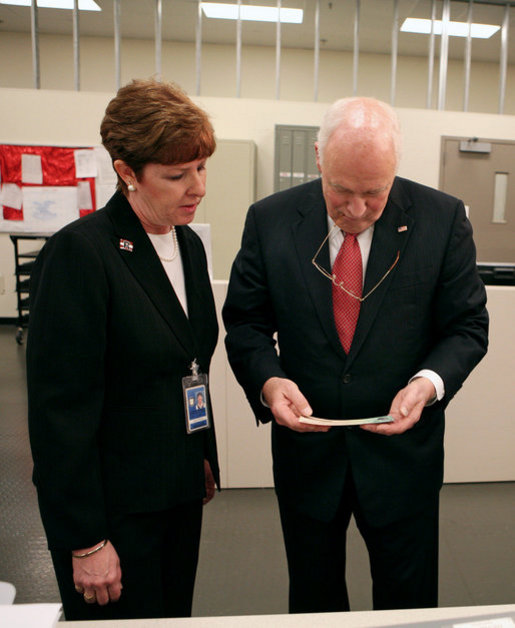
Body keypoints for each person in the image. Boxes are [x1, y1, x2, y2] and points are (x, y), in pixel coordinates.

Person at [223, 97, 488, 613]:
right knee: (314, 601)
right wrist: (270, 382)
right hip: (308, 457)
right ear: (319, 157)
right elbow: (247, 323)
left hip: (402, 460)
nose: (358, 210)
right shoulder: (271, 220)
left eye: (375, 193)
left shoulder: (441, 218)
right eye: (341, 190)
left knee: (410, 603)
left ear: (395, 172)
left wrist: (428, 383)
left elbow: (467, 326)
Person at [27, 78, 220, 621]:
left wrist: (199, 452)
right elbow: (58, 414)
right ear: (126, 171)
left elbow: (189, 361)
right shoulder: (81, 254)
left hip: (178, 491)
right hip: (115, 510)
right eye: (177, 175)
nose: (197, 187)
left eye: (202, 167)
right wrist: (85, 541)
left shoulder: (187, 244)